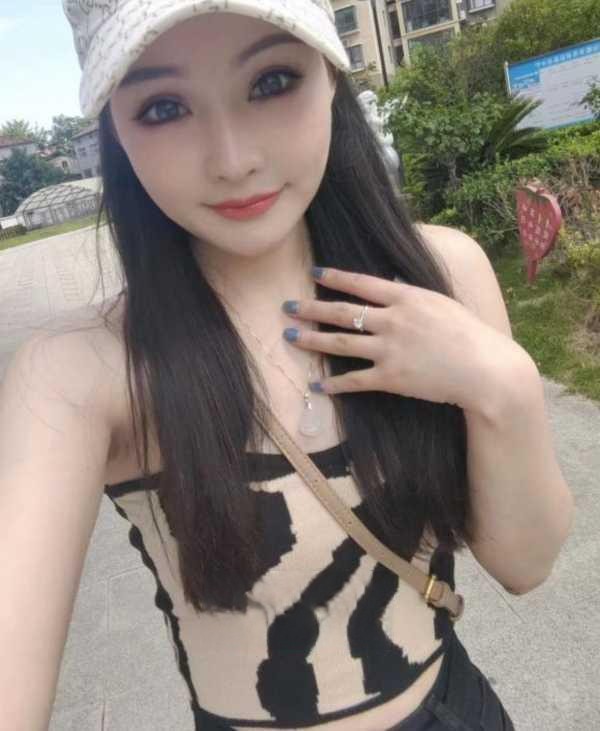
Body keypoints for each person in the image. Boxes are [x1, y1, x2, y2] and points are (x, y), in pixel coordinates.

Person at [0, 1, 574, 729]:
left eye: (271, 81)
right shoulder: (85, 372)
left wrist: (505, 385)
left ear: (331, 75)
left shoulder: (442, 276)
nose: (232, 158)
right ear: (115, 128)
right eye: (164, 107)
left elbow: (525, 564)